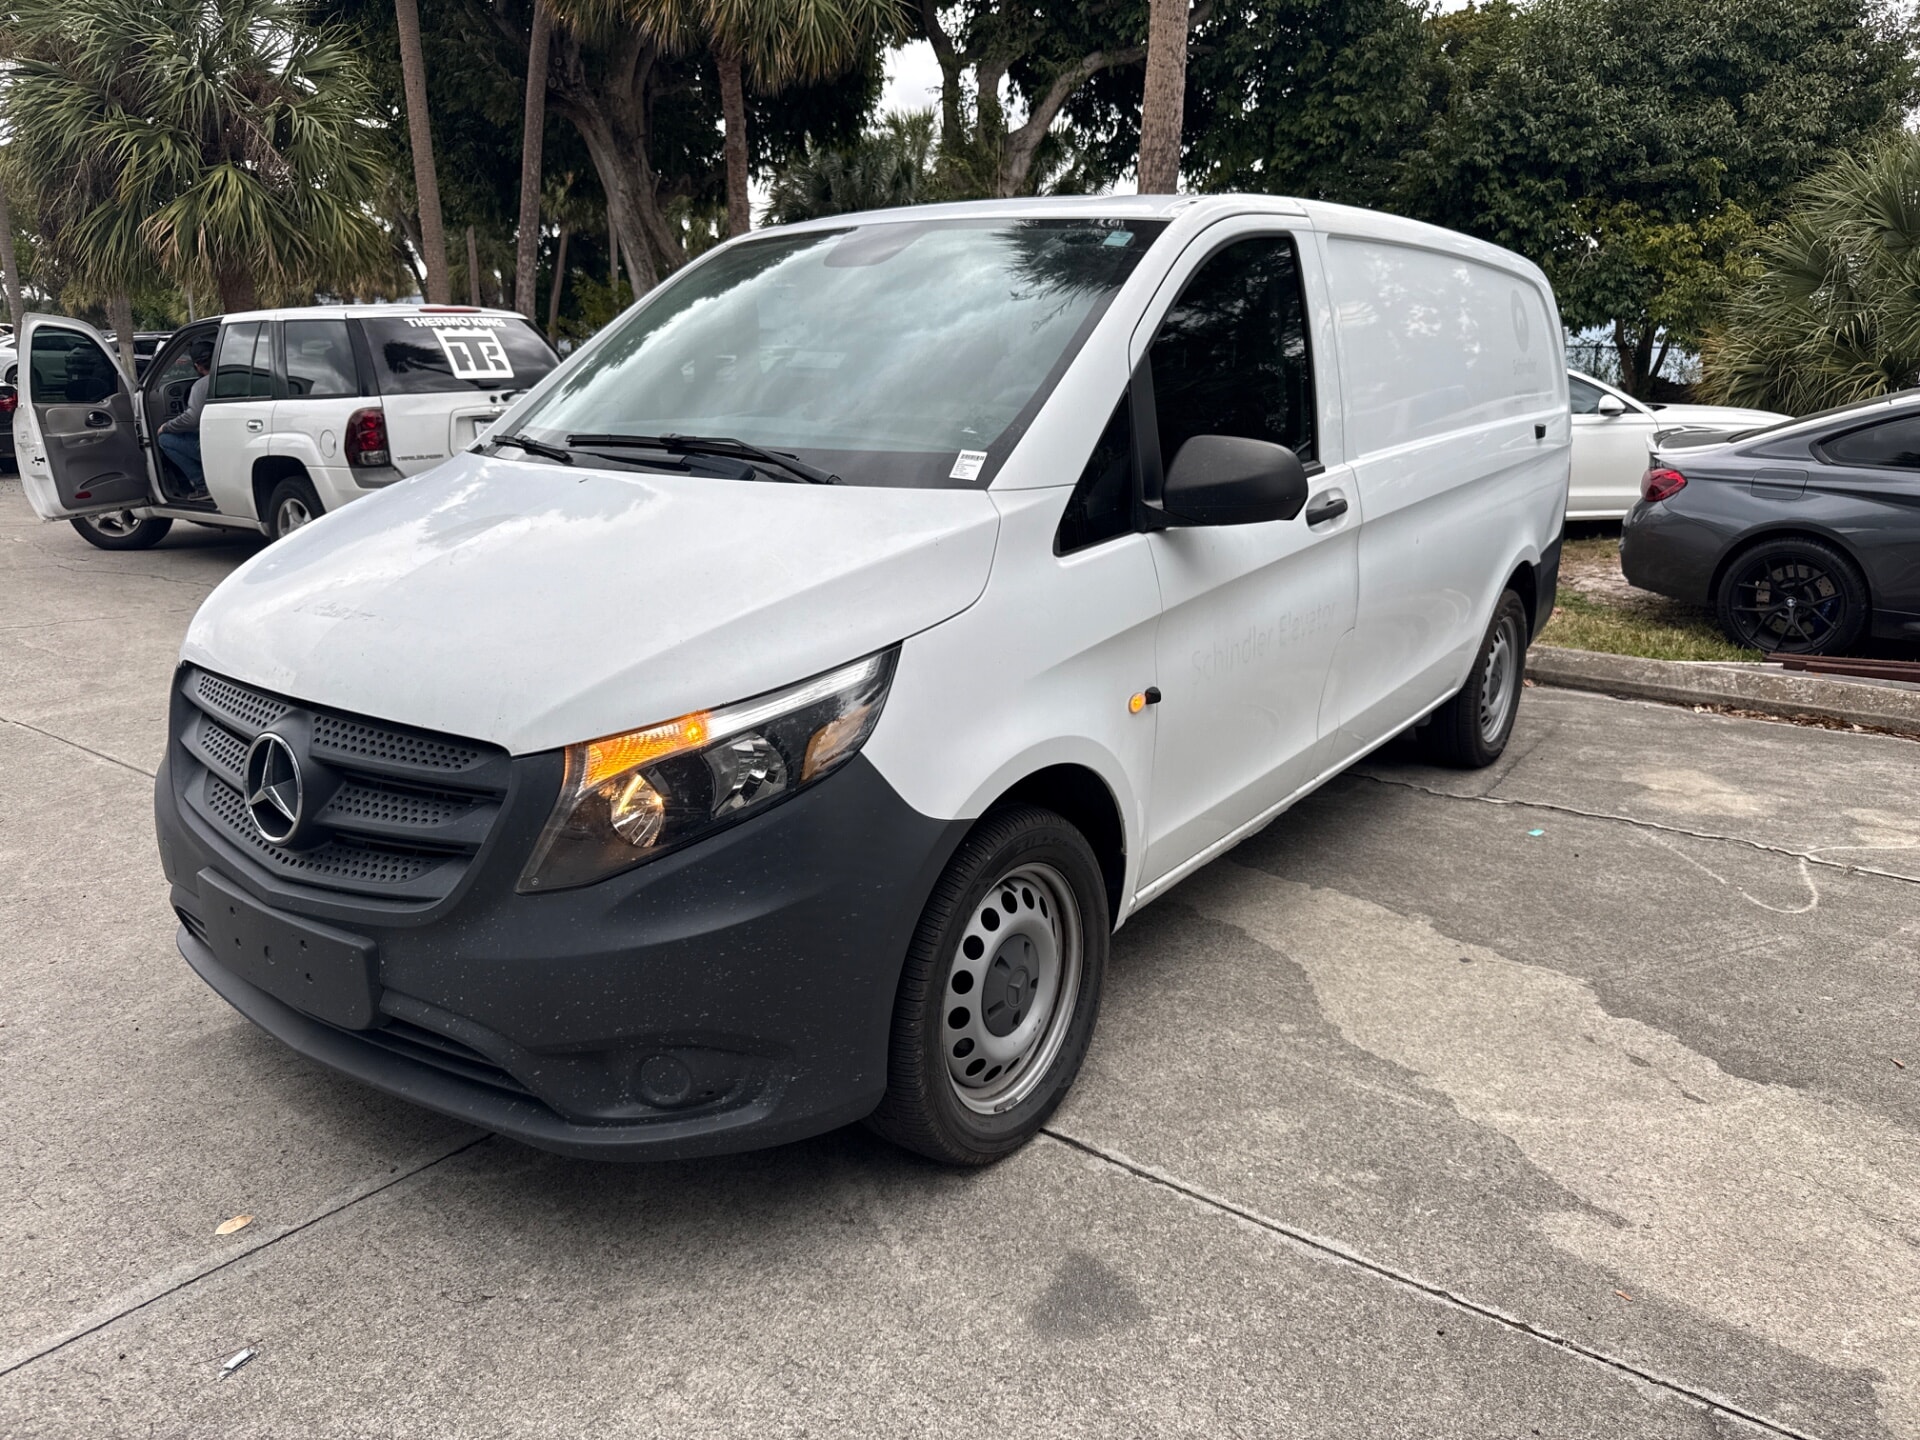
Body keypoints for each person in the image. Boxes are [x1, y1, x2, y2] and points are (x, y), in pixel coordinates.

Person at [157, 341, 213, 491]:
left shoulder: (201, 386)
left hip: (210, 446)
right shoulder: (238, 378)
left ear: (197, 366)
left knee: (165, 439)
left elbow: (192, 418)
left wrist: (166, 427)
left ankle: (202, 486)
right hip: (231, 442)